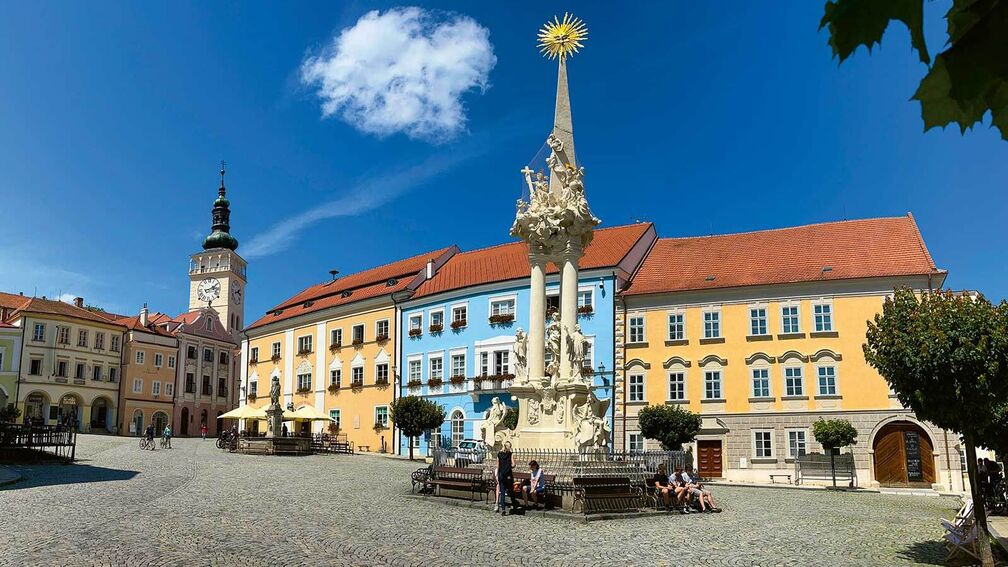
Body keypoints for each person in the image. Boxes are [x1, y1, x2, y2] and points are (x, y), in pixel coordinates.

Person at [495, 441, 515, 516]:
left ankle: (503, 508)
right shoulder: (510, 454)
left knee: (502, 492)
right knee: (511, 490)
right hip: (508, 475)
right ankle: (514, 505)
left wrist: (497, 475)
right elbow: (513, 464)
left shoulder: (499, 454)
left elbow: (498, 465)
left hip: (501, 475)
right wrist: (509, 466)